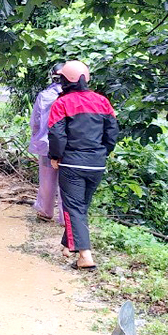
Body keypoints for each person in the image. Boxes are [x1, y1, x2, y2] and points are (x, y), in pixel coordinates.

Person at [47, 60, 119, 270]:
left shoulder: (61, 103)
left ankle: (85, 256)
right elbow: (112, 133)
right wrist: (102, 152)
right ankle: (68, 246)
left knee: (74, 207)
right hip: (97, 164)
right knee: (80, 206)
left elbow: (56, 134)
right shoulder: (103, 101)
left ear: (64, 81)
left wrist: (55, 156)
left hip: (71, 164)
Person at [29, 63, 64, 222]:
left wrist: (36, 136)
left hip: (47, 145)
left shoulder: (44, 96)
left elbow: (35, 121)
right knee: (67, 183)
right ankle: (65, 218)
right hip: (68, 146)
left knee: (47, 180)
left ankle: (45, 211)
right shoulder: (73, 97)